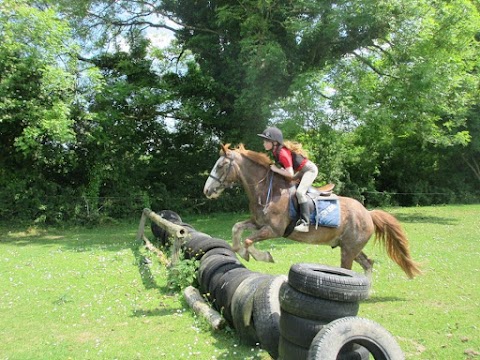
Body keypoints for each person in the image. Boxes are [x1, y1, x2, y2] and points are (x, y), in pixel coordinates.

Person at [257, 126, 319, 232]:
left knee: (300, 193)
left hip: (309, 170)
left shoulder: (282, 153)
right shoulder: (276, 151)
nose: (264, 143)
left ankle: (305, 223)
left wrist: (276, 169)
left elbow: (290, 173)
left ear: (275, 142)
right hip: (300, 171)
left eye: (266, 141)